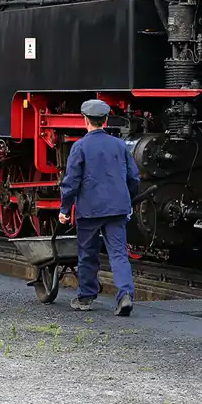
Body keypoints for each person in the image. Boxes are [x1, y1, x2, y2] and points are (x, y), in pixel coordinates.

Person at [59, 98, 139, 316]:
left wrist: (64, 210)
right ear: (105, 120)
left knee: (87, 253)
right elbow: (134, 178)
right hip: (117, 209)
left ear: (86, 120)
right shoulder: (120, 145)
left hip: (90, 210)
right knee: (119, 254)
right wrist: (126, 199)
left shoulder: (80, 147)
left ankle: (86, 296)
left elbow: (71, 182)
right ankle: (125, 295)